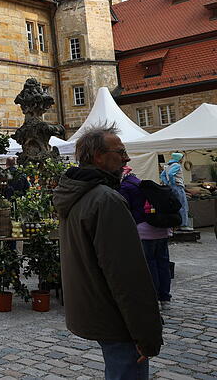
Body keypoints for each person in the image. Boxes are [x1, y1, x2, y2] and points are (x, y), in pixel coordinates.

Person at [53, 125, 162, 380]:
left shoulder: (77, 194)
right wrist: (146, 332)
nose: (126, 158)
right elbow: (126, 273)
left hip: (97, 309)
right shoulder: (105, 200)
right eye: (120, 152)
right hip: (117, 317)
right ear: (98, 157)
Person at [119, 166, 173, 310]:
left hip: (144, 231)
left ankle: (153, 297)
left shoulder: (125, 186)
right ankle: (165, 298)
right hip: (161, 229)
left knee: (150, 265)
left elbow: (125, 209)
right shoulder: (141, 183)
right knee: (163, 264)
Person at [160, 152, 191, 231]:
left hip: (172, 188)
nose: (182, 159)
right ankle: (183, 225)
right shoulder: (177, 165)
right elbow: (170, 174)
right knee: (183, 206)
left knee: (175, 206)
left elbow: (162, 175)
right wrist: (173, 182)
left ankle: (176, 224)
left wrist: (168, 183)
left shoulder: (168, 166)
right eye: (182, 158)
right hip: (178, 187)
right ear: (179, 158)